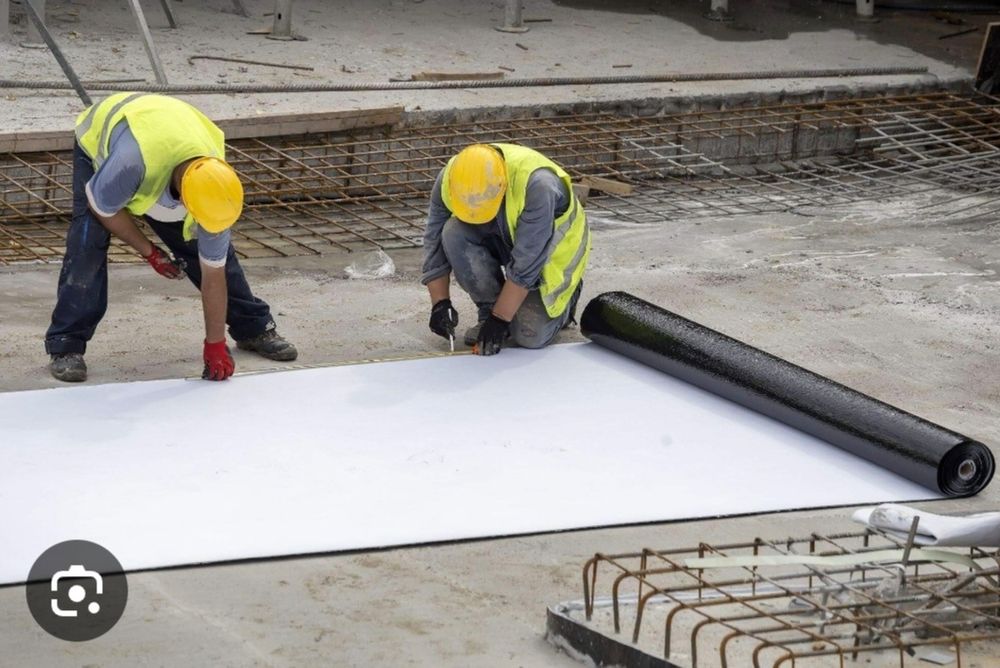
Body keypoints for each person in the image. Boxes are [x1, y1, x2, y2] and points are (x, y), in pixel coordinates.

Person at [45, 92, 297, 383]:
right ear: (182, 198)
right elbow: (103, 209)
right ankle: (66, 344)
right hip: (111, 136)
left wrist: (214, 343)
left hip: (169, 133)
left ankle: (252, 327)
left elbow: (214, 273)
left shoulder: (215, 185)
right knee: (88, 242)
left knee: (210, 252)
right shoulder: (130, 164)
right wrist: (150, 252)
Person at [422, 143, 590, 355]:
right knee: (453, 232)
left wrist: (500, 319)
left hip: (550, 256)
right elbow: (434, 241)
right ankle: (488, 309)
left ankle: (565, 304)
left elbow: (526, 264)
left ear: (501, 187)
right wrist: (440, 303)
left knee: (529, 336)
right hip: (507, 235)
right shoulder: (452, 178)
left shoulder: (539, 186)